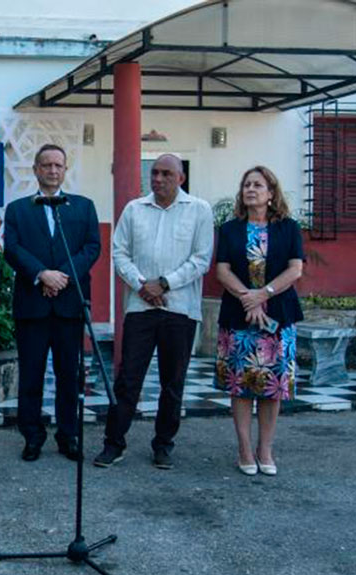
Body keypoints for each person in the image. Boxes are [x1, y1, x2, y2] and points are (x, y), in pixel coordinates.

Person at [94, 154, 214, 470]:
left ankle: (163, 445)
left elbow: (201, 259)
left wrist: (164, 283)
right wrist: (142, 285)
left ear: (181, 178)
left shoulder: (199, 210)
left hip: (180, 310)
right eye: (155, 173)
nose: (158, 178)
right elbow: (119, 253)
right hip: (139, 307)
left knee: (172, 383)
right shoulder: (134, 210)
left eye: (166, 173)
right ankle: (114, 443)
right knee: (128, 379)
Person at [3, 144, 101, 462]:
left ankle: (68, 434)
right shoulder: (17, 209)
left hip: (69, 305)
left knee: (68, 374)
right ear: (35, 169)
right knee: (31, 374)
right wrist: (42, 274)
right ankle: (32, 436)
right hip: (32, 304)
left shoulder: (83, 207)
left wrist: (61, 277)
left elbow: (91, 247)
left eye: (58, 165)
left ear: (65, 169)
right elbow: (12, 249)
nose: (52, 170)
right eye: (46, 165)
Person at [214, 166, 304, 477]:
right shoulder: (229, 229)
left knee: (271, 385)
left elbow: (295, 270)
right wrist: (247, 298)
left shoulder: (289, 228)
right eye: (246, 185)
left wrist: (262, 294)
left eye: (258, 185)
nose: (251, 189)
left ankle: (265, 448)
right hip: (239, 316)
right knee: (240, 385)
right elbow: (222, 271)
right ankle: (243, 448)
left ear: (271, 193)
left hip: (277, 316)